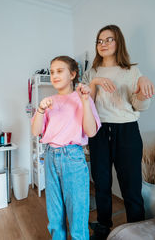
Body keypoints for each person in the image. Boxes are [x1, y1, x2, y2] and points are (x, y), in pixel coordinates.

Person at [82, 25, 155, 240]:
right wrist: (94, 82)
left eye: (109, 39)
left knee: (131, 186)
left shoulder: (132, 71)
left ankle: (137, 229)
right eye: (99, 40)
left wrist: (143, 87)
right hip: (99, 131)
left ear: (118, 42)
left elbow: (140, 107)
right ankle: (103, 226)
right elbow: (87, 104)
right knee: (101, 183)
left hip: (127, 131)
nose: (103, 44)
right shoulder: (91, 73)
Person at [31, 55, 101, 240]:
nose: (54, 75)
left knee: (77, 217)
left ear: (73, 74)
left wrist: (85, 100)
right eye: (52, 71)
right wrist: (40, 109)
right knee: (55, 217)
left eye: (59, 71)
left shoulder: (82, 98)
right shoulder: (48, 101)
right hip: (50, 157)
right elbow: (36, 131)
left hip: (73, 158)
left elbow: (91, 132)